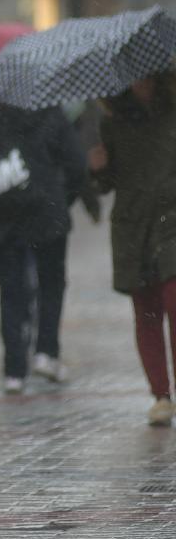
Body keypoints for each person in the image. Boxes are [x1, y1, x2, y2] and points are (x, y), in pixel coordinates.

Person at [0, 101, 85, 394]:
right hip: (47, 212)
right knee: (51, 282)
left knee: (10, 290)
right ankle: (46, 352)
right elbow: (77, 165)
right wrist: (64, 199)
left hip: (3, 214)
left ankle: (13, 370)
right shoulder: (51, 114)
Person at [91, 69, 176, 425]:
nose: (141, 83)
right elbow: (106, 184)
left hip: (171, 222)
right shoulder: (113, 121)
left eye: (147, 76)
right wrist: (98, 168)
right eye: (134, 77)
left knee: (174, 305)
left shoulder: (172, 113)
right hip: (132, 228)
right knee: (147, 313)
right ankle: (160, 395)